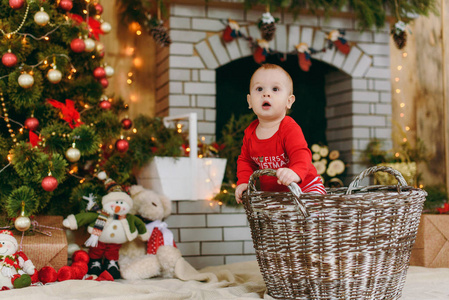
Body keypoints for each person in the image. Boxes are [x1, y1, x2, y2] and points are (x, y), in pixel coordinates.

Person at [235, 63, 326, 203]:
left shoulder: (289, 127)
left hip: (305, 187)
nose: (266, 94)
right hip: (276, 195)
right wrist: (244, 182)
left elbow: (300, 153)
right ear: (249, 101)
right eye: (259, 89)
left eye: (275, 89)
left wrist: (295, 172)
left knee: (313, 212)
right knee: (274, 222)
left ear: (288, 102)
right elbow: (246, 161)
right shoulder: (250, 133)